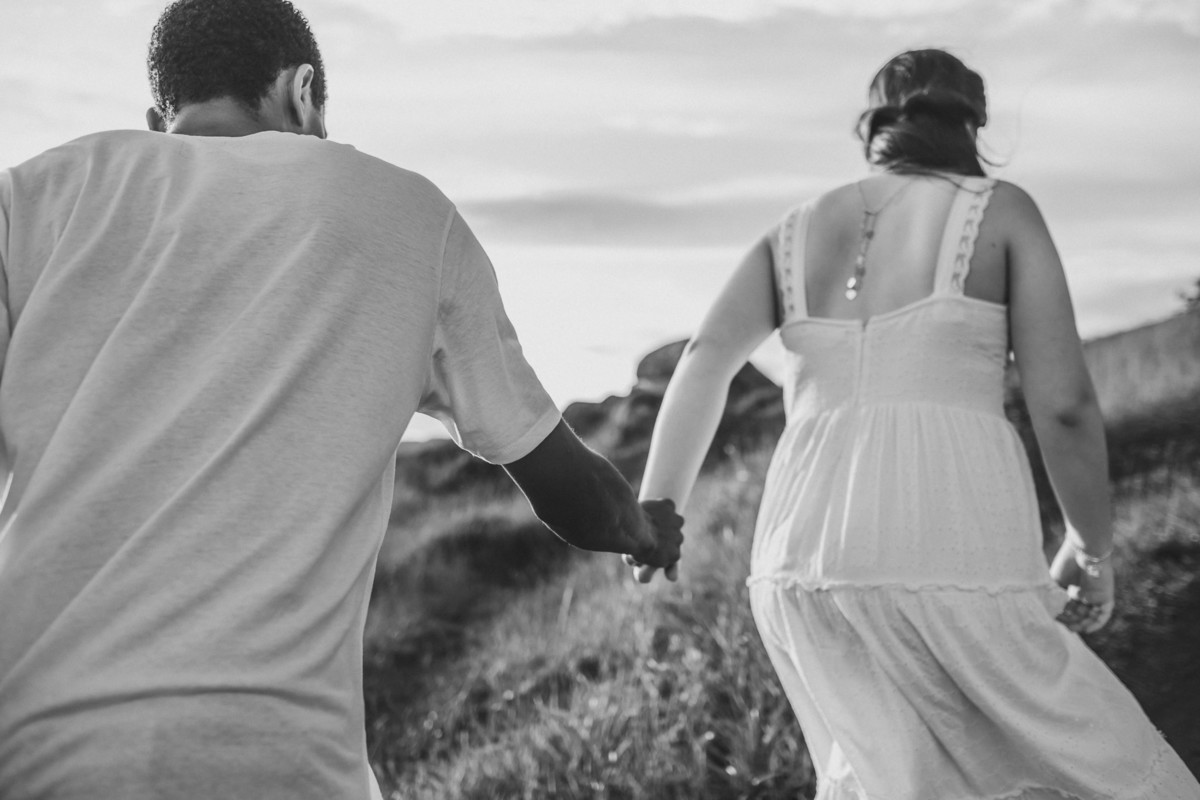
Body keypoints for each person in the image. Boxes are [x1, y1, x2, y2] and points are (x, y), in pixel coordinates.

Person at [0, 1, 683, 798]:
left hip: (36, 746)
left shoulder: (31, 198)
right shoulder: (409, 214)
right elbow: (568, 491)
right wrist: (645, 529)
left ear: (159, 119)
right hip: (280, 757)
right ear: (304, 92)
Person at [633, 49, 1199, 798]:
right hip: (945, 544)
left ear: (872, 128)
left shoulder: (793, 232)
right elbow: (1062, 406)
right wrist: (1090, 550)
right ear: (974, 124)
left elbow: (705, 358)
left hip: (795, 561)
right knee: (1107, 765)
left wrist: (659, 505)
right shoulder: (1000, 210)